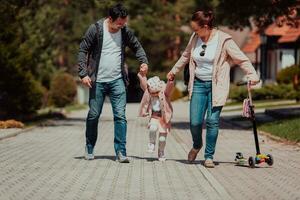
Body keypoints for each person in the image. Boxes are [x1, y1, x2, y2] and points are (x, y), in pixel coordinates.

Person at [167, 7, 259, 168]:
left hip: (217, 86)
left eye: (196, 28)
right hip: (198, 85)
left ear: (206, 26)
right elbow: (185, 55)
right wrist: (173, 71)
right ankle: (197, 145)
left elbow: (241, 59)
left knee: (212, 121)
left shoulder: (224, 40)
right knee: (195, 122)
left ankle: (209, 156)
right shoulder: (195, 38)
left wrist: (252, 75)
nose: (193, 31)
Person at [77, 3, 149, 163]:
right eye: (119, 23)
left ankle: (121, 152)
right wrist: (83, 74)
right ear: (110, 19)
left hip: (117, 80)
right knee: (94, 115)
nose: (122, 26)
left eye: (124, 23)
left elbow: (137, 46)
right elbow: (83, 50)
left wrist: (143, 61)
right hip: (98, 81)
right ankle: (89, 147)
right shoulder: (95, 29)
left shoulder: (124, 32)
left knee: (120, 116)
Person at [137, 70, 174, 161]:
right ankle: (152, 143)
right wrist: (142, 75)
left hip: (164, 118)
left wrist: (170, 81)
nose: (153, 95)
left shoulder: (164, 93)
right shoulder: (149, 92)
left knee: (162, 139)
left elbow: (169, 88)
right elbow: (144, 84)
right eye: (151, 93)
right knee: (152, 128)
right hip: (154, 116)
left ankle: (161, 152)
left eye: (154, 93)